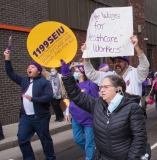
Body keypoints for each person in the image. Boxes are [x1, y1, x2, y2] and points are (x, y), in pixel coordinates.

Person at [61, 60, 147, 160]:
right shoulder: (97, 104)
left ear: (119, 90)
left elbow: (139, 139)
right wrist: (67, 76)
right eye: (101, 87)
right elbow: (77, 95)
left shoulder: (132, 108)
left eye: (106, 87)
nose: (101, 90)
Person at [4, 49, 56, 160]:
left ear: (39, 71)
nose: (29, 68)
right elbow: (11, 73)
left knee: (45, 140)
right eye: (28, 67)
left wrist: (33, 99)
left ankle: (51, 158)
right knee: (22, 139)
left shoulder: (44, 82)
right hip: (26, 118)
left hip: (41, 117)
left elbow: (49, 97)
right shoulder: (24, 80)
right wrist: (7, 59)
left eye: (32, 67)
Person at [81, 35, 149, 97]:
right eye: (115, 62)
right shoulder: (110, 76)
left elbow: (145, 66)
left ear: (127, 63)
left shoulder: (135, 74)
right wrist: (86, 55)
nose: (117, 64)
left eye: (120, 61)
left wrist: (136, 47)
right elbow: (91, 74)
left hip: (133, 110)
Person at [65, 64, 99, 160]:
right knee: (77, 139)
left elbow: (95, 100)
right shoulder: (74, 85)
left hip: (89, 118)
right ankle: (94, 151)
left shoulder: (91, 84)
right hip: (76, 117)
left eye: (77, 71)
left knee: (89, 143)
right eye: (74, 71)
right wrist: (67, 112)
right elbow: (70, 99)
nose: (74, 73)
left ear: (83, 72)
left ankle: (90, 156)